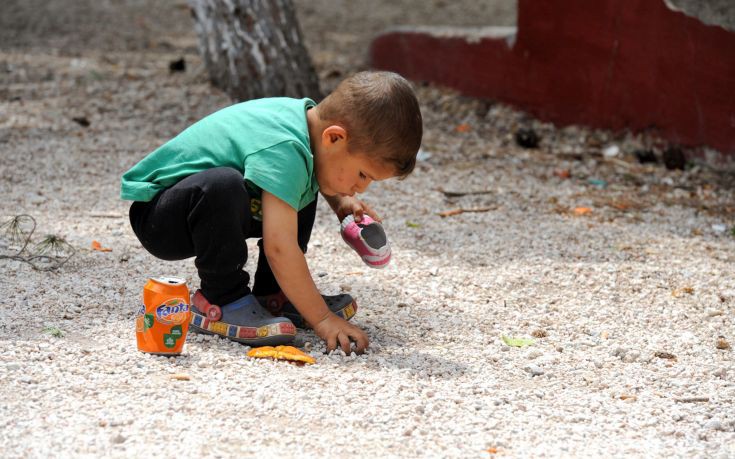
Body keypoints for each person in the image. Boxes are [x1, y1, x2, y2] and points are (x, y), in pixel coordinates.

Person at [121, 71, 423, 354]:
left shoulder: (309, 128)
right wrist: (322, 320)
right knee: (225, 184)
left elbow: (315, 171)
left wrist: (341, 201)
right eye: (362, 174)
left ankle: (273, 294)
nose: (362, 188)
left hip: (205, 210)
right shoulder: (285, 147)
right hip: (162, 216)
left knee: (302, 182)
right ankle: (221, 299)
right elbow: (280, 247)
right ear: (334, 137)